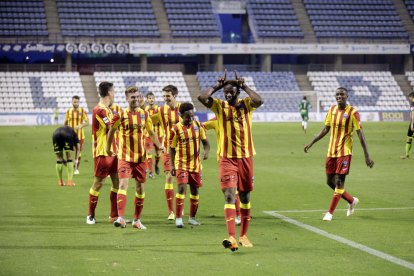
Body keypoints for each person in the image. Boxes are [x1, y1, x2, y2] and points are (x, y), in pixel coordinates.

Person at [198, 70, 263, 251]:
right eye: (225, 91)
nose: (228, 94)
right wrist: (217, 86)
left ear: (237, 93)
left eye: (231, 91)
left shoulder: (247, 104)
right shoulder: (219, 106)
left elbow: (260, 101)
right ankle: (231, 237)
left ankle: (243, 235)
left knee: (245, 196)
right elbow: (202, 97)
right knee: (229, 195)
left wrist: (244, 86)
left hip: (246, 158)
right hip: (227, 159)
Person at [304, 87, 374, 222]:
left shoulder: (353, 112)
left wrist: (367, 155)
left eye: (342, 94)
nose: (339, 96)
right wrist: (312, 142)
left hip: (345, 152)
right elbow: (326, 129)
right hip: (331, 152)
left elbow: (360, 133)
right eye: (337, 94)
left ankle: (329, 213)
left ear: (347, 96)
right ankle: (351, 200)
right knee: (330, 182)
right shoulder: (332, 110)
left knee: (340, 181)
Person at [106, 86, 164, 230]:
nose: (136, 99)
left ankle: (137, 220)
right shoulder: (120, 115)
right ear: (127, 99)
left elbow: (151, 132)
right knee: (123, 185)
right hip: (124, 157)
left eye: (138, 97)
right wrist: (108, 148)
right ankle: (121, 218)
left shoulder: (144, 114)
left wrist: (160, 146)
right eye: (133, 97)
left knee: (140, 189)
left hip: (141, 158)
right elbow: (111, 132)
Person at [86, 82, 122, 225]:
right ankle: (90, 215)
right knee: (99, 183)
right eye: (113, 91)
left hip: (115, 152)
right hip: (103, 152)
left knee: (117, 182)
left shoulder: (109, 109)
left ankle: (114, 215)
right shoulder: (99, 110)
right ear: (108, 93)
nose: (114, 94)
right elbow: (112, 128)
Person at [170, 102, 210, 228]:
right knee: (181, 189)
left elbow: (206, 142)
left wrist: (206, 151)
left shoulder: (198, 125)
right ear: (181, 115)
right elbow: (171, 148)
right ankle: (178, 218)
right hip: (181, 163)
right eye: (187, 116)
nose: (190, 119)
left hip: (196, 165)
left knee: (195, 190)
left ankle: (192, 217)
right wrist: (172, 165)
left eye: (192, 116)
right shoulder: (175, 129)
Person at [203, 117, 241, 226]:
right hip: (225, 159)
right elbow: (200, 127)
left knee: (240, 189)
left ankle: (240, 214)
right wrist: (205, 144)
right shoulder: (217, 120)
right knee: (229, 190)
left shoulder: (239, 117)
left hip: (242, 157)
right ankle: (238, 215)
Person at [151, 85, 181, 220]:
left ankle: (181, 209)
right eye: (163, 96)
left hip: (183, 149)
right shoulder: (161, 110)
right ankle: (171, 212)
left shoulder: (183, 108)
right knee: (169, 177)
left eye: (167, 96)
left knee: (182, 180)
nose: (165, 99)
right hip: (168, 149)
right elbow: (149, 122)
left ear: (174, 95)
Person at [64, 95, 89, 175]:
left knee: (79, 153)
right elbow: (65, 122)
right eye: (74, 102)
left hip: (80, 136)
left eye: (77, 102)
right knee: (70, 151)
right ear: (72, 102)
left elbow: (87, 122)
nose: (76, 103)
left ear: (79, 102)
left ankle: (76, 169)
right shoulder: (68, 111)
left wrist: (80, 126)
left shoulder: (82, 111)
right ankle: (71, 168)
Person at [144, 92, 164, 179]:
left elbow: (161, 120)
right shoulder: (145, 110)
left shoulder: (159, 109)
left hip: (159, 134)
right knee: (148, 152)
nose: (151, 99)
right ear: (147, 99)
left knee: (158, 154)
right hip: (148, 134)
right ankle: (151, 172)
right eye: (149, 98)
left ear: (154, 99)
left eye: (152, 98)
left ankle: (156, 165)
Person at [400, 92, 414, 159]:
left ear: (412, 97)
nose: (409, 99)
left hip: (413, 123)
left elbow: (413, 114)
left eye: (409, 98)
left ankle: (407, 154)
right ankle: (406, 154)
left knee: (409, 139)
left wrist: (412, 124)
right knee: (409, 138)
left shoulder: (412, 103)